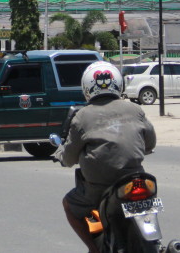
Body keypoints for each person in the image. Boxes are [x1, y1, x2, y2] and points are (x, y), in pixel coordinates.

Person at [59, 62, 156, 253]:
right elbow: (150, 143)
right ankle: (155, 242)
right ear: (118, 84)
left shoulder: (82, 116)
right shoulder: (135, 109)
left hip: (100, 188)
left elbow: (69, 158)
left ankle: (93, 249)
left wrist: (62, 156)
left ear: (87, 87)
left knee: (69, 205)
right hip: (137, 181)